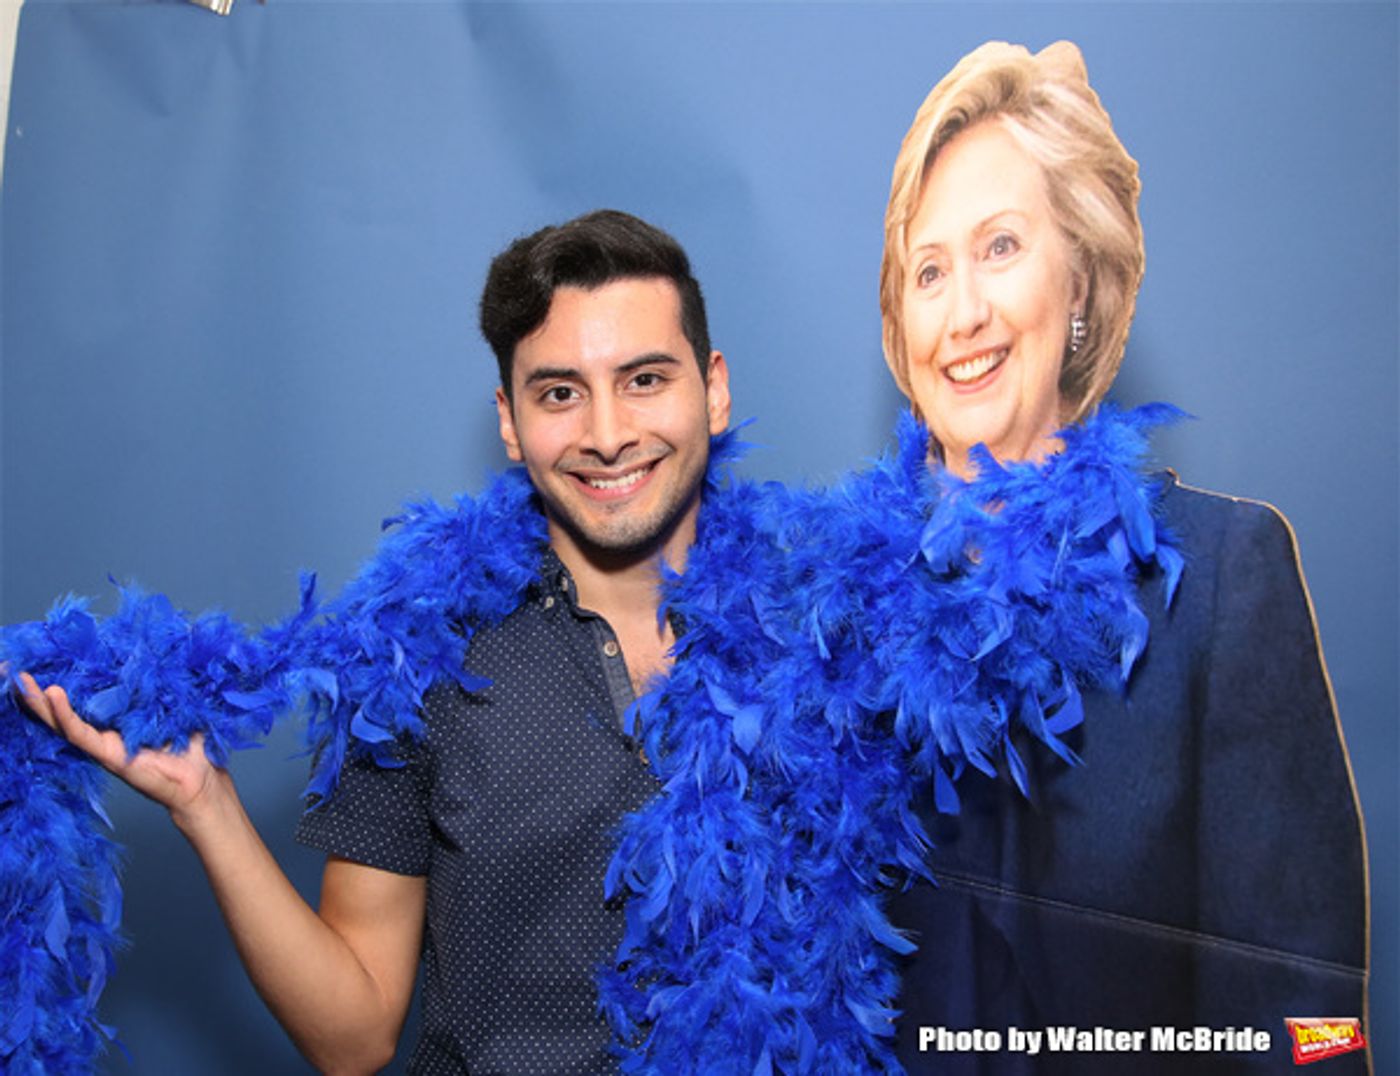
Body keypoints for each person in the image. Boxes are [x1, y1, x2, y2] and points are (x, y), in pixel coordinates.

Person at [15, 208, 733, 1073]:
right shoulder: (413, 651)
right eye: (559, 392)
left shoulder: (832, 631)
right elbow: (352, 1039)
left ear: (714, 389)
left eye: (645, 379)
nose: (608, 433)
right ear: (509, 420)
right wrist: (207, 807)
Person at [874, 41, 1370, 1073]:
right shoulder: (830, 624)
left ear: (1081, 286)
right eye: (928, 269)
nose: (960, 310)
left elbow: (1305, 1030)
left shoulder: (1223, 579)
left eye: (999, 247)